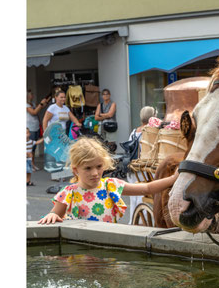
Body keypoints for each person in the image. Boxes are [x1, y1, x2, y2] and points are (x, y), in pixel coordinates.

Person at [37, 137, 178, 224]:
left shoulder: (111, 185)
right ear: (75, 170)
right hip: (80, 259)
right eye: (88, 168)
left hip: (108, 252)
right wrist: (52, 215)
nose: (95, 173)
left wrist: (173, 178)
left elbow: (147, 189)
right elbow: (55, 214)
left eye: (99, 166)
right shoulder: (69, 194)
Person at [126, 106, 156, 224]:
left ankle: (134, 220)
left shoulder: (134, 132)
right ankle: (143, 220)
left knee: (133, 195)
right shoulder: (150, 132)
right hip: (144, 167)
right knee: (143, 193)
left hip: (133, 167)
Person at [26, 90, 50, 171]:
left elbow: (39, 107)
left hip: (35, 127)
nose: (33, 95)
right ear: (27, 96)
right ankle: (30, 165)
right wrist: (41, 104)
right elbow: (34, 112)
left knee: (34, 147)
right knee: (30, 148)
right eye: (31, 94)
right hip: (30, 128)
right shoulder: (25, 105)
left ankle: (32, 163)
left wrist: (45, 101)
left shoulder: (32, 103)